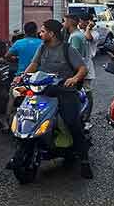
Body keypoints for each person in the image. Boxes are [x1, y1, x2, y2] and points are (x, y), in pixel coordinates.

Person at [17, 19, 93, 179]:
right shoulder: (42, 47)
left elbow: (83, 69)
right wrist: (22, 76)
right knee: (25, 113)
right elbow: (34, 64)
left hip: (65, 92)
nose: (40, 33)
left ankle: (84, 161)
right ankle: (23, 150)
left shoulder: (67, 49)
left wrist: (74, 79)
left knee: (71, 121)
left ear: (52, 34)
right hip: (44, 90)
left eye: (43, 31)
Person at [78, 14, 100, 120]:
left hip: (87, 66)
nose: (79, 23)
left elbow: (88, 38)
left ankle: (87, 116)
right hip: (77, 66)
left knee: (86, 91)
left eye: (81, 21)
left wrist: (88, 28)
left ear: (88, 22)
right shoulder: (79, 31)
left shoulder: (95, 33)